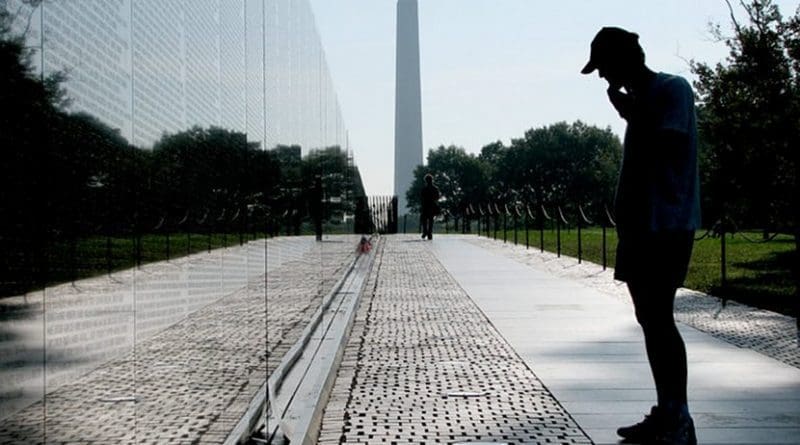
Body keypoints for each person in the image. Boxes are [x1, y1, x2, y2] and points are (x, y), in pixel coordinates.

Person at [581, 27, 701, 445]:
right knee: (649, 319)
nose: (602, 78)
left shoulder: (672, 90)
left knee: (661, 319)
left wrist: (631, 112)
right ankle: (666, 409)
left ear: (624, 59)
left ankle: (678, 416)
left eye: (603, 67)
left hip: (665, 225)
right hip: (639, 229)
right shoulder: (647, 100)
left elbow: (668, 145)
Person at [420, 173, 440, 240]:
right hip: (432, 206)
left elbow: (422, 198)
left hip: (425, 206)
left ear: (426, 181)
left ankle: (425, 231)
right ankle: (429, 233)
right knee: (431, 220)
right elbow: (437, 197)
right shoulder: (435, 188)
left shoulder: (424, 189)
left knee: (424, 220)